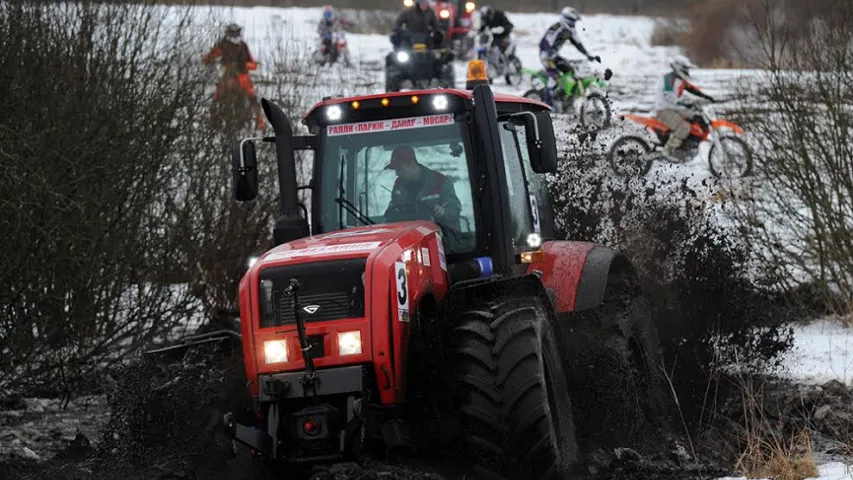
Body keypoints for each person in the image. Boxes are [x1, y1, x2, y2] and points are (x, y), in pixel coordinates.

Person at [383, 146, 461, 234]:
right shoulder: (399, 184)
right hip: (411, 236)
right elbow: (392, 210)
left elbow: (454, 209)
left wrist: (443, 212)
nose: (396, 174)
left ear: (411, 165)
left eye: (400, 169)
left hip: (443, 238)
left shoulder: (440, 182)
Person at [202, 23, 265, 130]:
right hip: (229, 77)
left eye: (237, 33)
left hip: (242, 78)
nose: (236, 36)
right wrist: (209, 59)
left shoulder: (242, 46)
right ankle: (213, 122)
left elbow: (252, 63)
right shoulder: (223, 45)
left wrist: (245, 65)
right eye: (234, 33)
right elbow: (208, 59)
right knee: (217, 99)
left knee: (253, 98)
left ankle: (260, 122)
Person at [654, 54, 716, 161]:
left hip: (673, 108)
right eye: (686, 68)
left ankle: (687, 146)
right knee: (684, 127)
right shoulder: (669, 79)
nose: (687, 71)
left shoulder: (679, 79)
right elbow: (669, 95)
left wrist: (705, 96)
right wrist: (684, 103)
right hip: (663, 110)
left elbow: (691, 89)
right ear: (679, 68)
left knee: (696, 117)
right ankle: (668, 151)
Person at [538, 7, 599, 104]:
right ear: (565, 19)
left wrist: (587, 55)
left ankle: (565, 97)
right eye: (571, 21)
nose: (573, 23)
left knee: (571, 71)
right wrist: (548, 51)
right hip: (546, 56)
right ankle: (548, 102)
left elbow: (578, 43)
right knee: (554, 77)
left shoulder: (571, 31)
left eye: (574, 21)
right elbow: (547, 42)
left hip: (555, 56)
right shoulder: (556, 28)